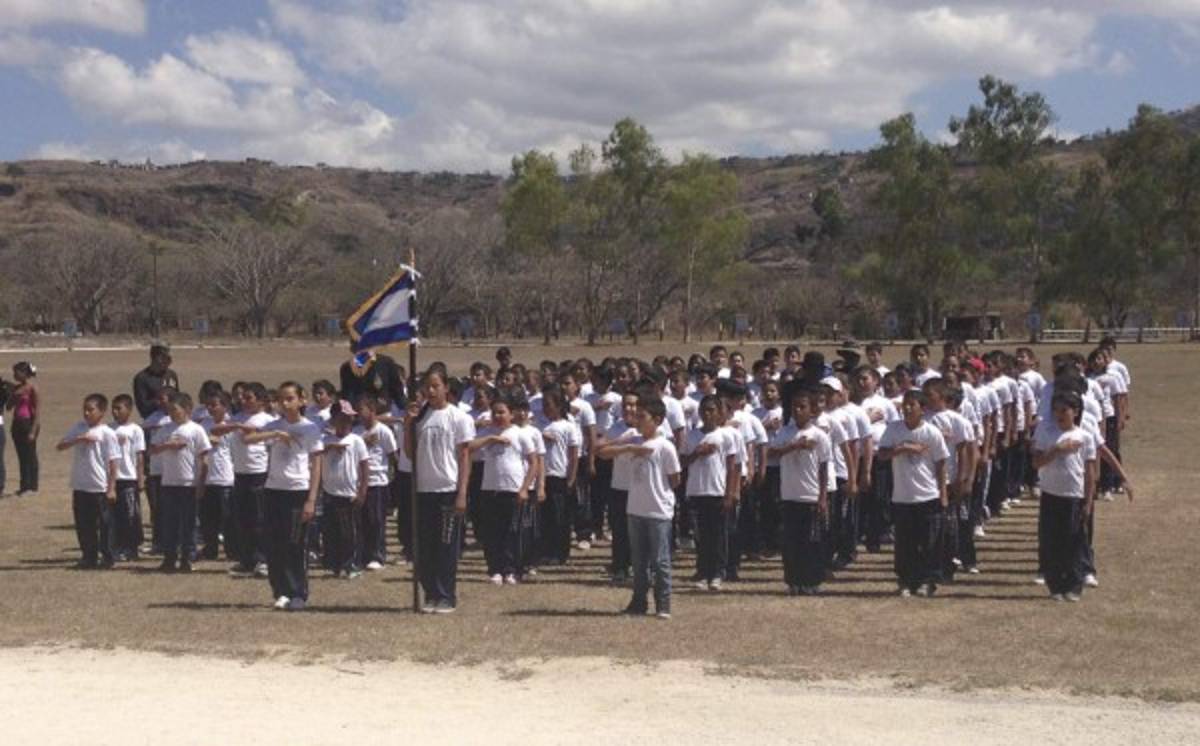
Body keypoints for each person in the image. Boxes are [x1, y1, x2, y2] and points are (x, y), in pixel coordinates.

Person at [598, 396, 681, 619]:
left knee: (660, 560)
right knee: (639, 560)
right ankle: (638, 602)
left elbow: (675, 478)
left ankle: (663, 604)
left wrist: (660, 492)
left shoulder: (665, 446)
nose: (637, 420)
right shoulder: (631, 437)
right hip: (635, 509)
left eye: (642, 416)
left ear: (657, 419)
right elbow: (602, 451)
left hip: (658, 511)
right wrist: (627, 447)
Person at [244, 382, 324, 611]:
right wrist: (275, 433)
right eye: (281, 399)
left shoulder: (310, 429)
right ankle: (281, 591)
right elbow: (247, 439)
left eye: (290, 398)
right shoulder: (273, 425)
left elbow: (317, 463)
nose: (285, 403)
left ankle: (298, 592)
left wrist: (311, 498)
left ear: (301, 400)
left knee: (295, 543)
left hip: (297, 491)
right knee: (274, 543)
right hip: (273, 490)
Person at [405, 370, 475, 613]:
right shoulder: (420, 417)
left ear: (446, 387)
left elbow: (465, 456)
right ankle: (431, 593)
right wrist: (407, 424)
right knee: (424, 546)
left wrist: (462, 492)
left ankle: (446, 595)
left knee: (445, 545)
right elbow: (409, 453)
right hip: (423, 490)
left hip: (447, 488)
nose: (431, 391)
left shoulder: (458, 417)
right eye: (427, 387)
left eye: (436, 386)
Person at [878, 389, 950, 598]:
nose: (907, 408)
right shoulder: (894, 429)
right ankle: (906, 580)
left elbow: (941, 462)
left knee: (928, 542)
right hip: (902, 496)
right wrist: (901, 449)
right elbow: (882, 454)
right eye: (905, 404)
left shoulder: (931, 432)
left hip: (927, 495)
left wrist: (943, 492)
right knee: (904, 542)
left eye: (912, 405)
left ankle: (928, 580)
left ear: (922, 409)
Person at [1033, 391, 1097, 602]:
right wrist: (1057, 449)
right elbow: (1036, 462)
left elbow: (1089, 472)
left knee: (1073, 540)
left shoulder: (1084, 437)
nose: (1059, 414)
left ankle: (1074, 584)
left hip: (1073, 495)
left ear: (1075, 412)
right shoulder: (1047, 434)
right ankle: (1055, 585)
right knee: (1051, 540)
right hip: (1051, 494)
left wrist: (1088, 501)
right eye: (1056, 410)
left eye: (1064, 410)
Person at [769, 388, 831, 596]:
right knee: (791, 542)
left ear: (812, 410)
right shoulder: (786, 433)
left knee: (811, 542)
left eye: (802, 407)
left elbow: (823, 467)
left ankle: (811, 580)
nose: (797, 410)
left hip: (810, 495)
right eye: (794, 407)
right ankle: (793, 581)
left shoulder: (820, 435)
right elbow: (772, 453)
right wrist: (794, 446)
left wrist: (822, 497)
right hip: (789, 495)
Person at [212, 382, 275, 577]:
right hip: (240, 474)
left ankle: (263, 559)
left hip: (259, 473)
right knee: (243, 519)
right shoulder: (237, 419)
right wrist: (237, 425)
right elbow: (215, 431)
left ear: (261, 400)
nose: (244, 401)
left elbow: (273, 444)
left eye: (249, 398)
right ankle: (247, 559)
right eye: (243, 398)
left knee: (260, 519)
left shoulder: (267, 420)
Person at [681, 394, 738, 591]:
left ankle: (717, 572)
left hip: (717, 491)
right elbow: (683, 463)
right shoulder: (692, 436)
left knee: (718, 534)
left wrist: (730, 493)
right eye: (704, 410)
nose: (707, 414)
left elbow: (732, 467)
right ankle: (703, 571)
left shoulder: (726, 436)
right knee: (701, 535)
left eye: (712, 410)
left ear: (719, 413)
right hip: (697, 490)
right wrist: (698, 452)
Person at [57, 393, 120, 569]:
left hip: (99, 486)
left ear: (101, 411)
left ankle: (108, 557)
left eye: (90, 409)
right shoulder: (79, 427)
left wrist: (112, 488)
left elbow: (113, 462)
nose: (86, 413)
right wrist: (78, 440)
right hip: (80, 485)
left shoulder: (107, 433)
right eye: (84, 409)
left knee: (105, 524)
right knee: (84, 524)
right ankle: (88, 556)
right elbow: (60, 446)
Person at [150, 392, 210, 573]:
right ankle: (169, 558)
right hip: (169, 483)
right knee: (170, 523)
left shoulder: (195, 430)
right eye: (169, 410)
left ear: (187, 409)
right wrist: (168, 446)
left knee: (188, 523)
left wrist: (201, 483)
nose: (172, 413)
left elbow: (204, 457)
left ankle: (187, 558)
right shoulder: (166, 429)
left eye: (175, 409)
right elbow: (152, 450)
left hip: (188, 483)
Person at [320, 400, 369, 578]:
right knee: (331, 530)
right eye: (341, 419)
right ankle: (335, 563)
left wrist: (362, 490)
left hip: (349, 493)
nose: (345, 423)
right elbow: (315, 456)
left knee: (350, 531)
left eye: (348, 419)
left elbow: (364, 466)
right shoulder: (325, 440)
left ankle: (352, 563)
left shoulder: (356, 441)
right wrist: (330, 447)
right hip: (330, 492)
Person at [354, 395, 397, 571]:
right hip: (358, 482)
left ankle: (377, 555)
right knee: (361, 521)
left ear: (372, 411)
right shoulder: (356, 432)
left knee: (376, 520)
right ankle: (362, 555)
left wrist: (392, 476)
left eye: (362, 410)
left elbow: (392, 454)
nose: (359, 414)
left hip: (378, 482)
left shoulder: (383, 431)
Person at [538, 387, 581, 566]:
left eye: (549, 405)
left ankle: (560, 552)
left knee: (560, 518)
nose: (545, 409)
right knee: (545, 517)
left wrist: (571, 478)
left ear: (559, 405)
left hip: (559, 475)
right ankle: (546, 550)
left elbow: (573, 455)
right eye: (543, 405)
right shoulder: (541, 426)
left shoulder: (569, 427)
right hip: (543, 476)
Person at [200, 391, 236, 561]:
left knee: (228, 517)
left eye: (214, 405)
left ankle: (232, 549)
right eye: (208, 405)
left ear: (225, 406)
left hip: (225, 477)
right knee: (208, 518)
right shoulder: (203, 425)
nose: (210, 408)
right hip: (207, 477)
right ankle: (210, 548)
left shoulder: (232, 425)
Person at [109, 394, 145, 560]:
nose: (115, 412)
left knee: (131, 515)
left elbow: (139, 456)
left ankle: (132, 547)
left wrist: (140, 478)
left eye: (119, 408)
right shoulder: (109, 429)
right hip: (112, 479)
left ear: (129, 410)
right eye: (113, 408)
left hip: (128, 478)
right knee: (114, 516)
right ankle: (116, 546)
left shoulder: (136, 430)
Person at [7, 361, 40, 496]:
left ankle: (33, 486)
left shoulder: (33, 388)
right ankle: (24, 485)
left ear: (24, 373)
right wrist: (13, 396)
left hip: (29, 423)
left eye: (17, 372)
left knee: (30, 455)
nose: (14, 375)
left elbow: (37, 411)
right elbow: (8, 407)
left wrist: (33, 430)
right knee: (21, 456)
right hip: (17, 423)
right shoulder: (16, 388)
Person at [133, 345, 180, 419]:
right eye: (168, 358)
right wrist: (158, 402)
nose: (170, 361)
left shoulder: (171, 375)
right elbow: (142, 407)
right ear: (157, 358)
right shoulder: (142, 378)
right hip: (153, 424)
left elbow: (178, 398)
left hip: (173, 420)